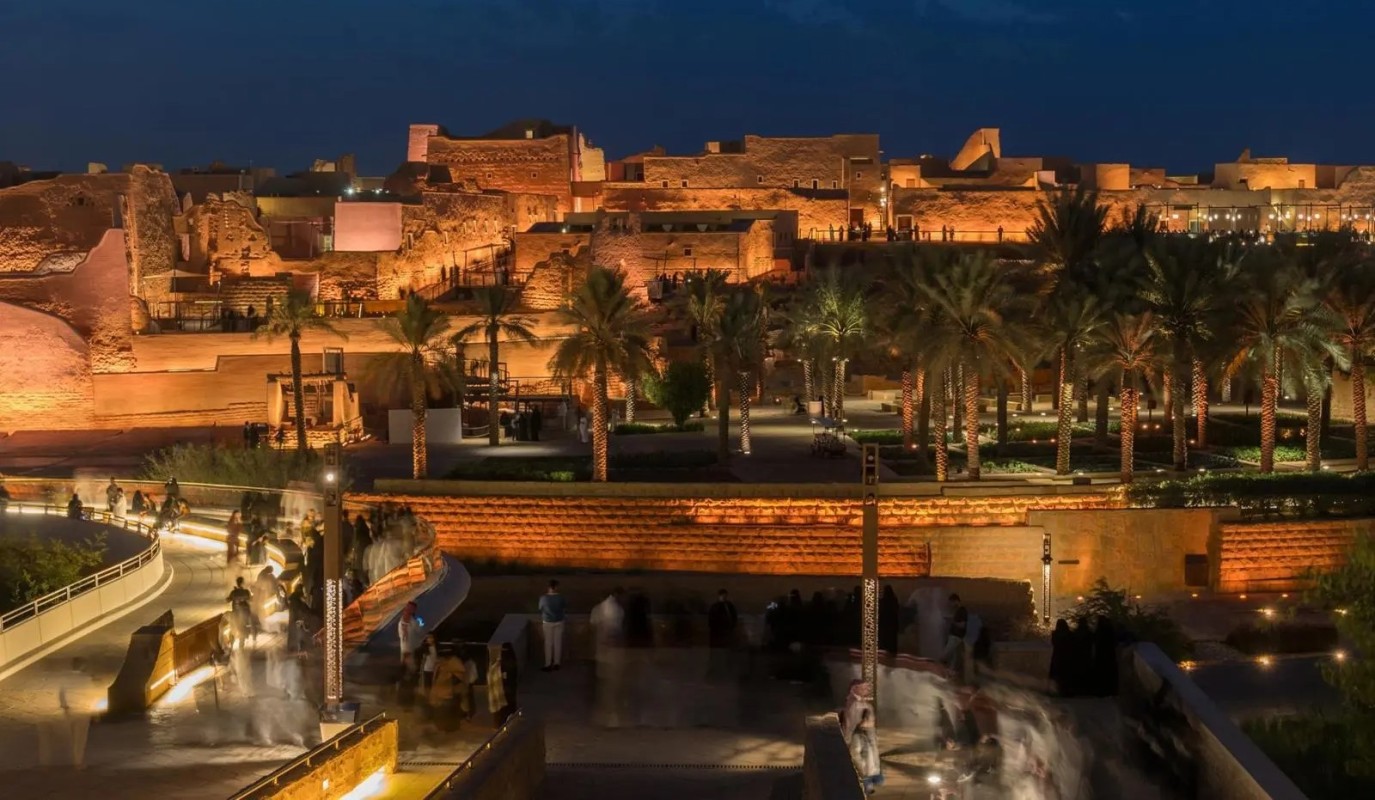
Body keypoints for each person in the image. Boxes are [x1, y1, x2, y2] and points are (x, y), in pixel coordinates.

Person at [398, 601, 427, 698]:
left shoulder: (414, 623)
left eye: (410, 608)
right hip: (405, 652)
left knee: (411, 674)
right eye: (407, 608)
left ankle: (409, 697)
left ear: (413, 610)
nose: (407, 610)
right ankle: (403, 697)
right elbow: (402, 638)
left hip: (413, 651)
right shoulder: (401, 623)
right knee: (404, 674)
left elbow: (421, 634)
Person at [539, 580, 567, 671]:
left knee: (548, 643)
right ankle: (556, 663)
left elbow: (540, 608)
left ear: (548, 587)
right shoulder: (560, 598)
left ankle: (548, 664)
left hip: (547, 622)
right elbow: (564, 607)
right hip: (559, 621)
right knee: (557, 643)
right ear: (556, 587)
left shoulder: (543, 598)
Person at [943, 593, 968, 673]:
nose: (950, 605)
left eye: (951, 602)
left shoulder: (962, 611)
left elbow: (962, 625)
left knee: (945, 655)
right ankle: (950, 673)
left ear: (956, 601)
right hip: (955, 636)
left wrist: (952, 621)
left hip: (956, 637)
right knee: (953, 658)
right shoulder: (957, 611)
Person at [1049, 619, 1072, 695]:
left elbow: (1054, 643)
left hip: (1058, 656)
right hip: (1066, 656)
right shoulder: (1069, 634)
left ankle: (1057, 689)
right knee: (1065, 673)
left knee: (1057, 673)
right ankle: (1065, 689)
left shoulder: (1055, 634)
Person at [879, 584, 900, 655]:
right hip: (892, 622)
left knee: (884, 638)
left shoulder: (882, 600)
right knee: (892, 638)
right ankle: (892, 652)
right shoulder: (894, 600)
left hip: (884, 623)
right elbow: (896, 610)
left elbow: (880, 611)